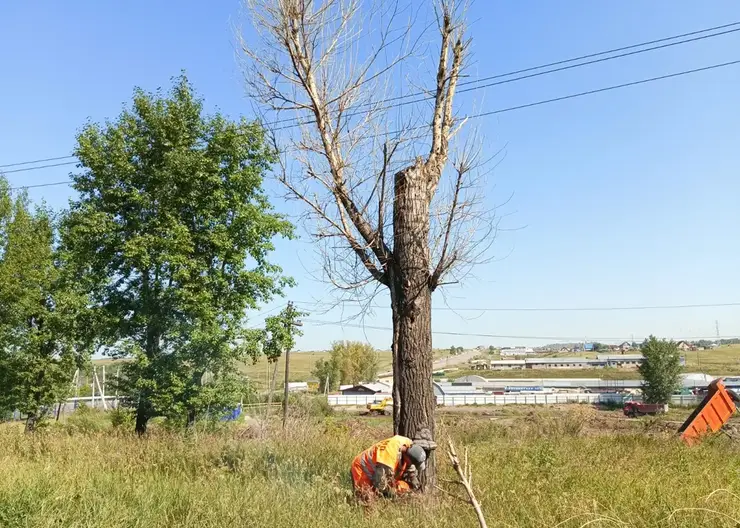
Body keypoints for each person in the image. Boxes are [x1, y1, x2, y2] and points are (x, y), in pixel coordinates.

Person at [350, 433, 436, 497]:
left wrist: (415, 486)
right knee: (367, 498)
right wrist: (393, 494)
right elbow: (379, 484)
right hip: (362, 469)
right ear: (408, 459)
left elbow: (411, 470)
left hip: (381, 469)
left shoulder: (409, 444)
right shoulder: (389, 456)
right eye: (412, 463)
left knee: (402, 487)